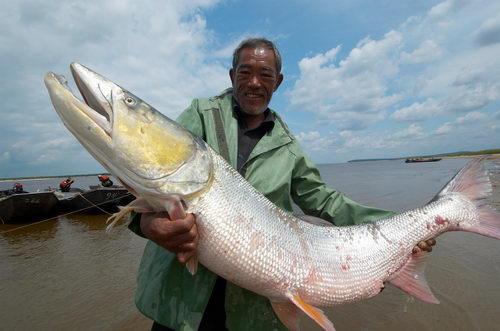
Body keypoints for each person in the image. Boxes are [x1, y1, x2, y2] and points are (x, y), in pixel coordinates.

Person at [128, 38, 436, 330]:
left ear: (279, 82)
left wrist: (398, 228)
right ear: (232, 75)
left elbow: (325, 201)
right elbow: (150, 172)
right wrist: (144, 225)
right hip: (182, 296)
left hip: (253, 304)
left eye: (265, 75)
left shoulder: (288, 147)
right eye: (245, 72)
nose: (254, 83)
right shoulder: (201, 114)